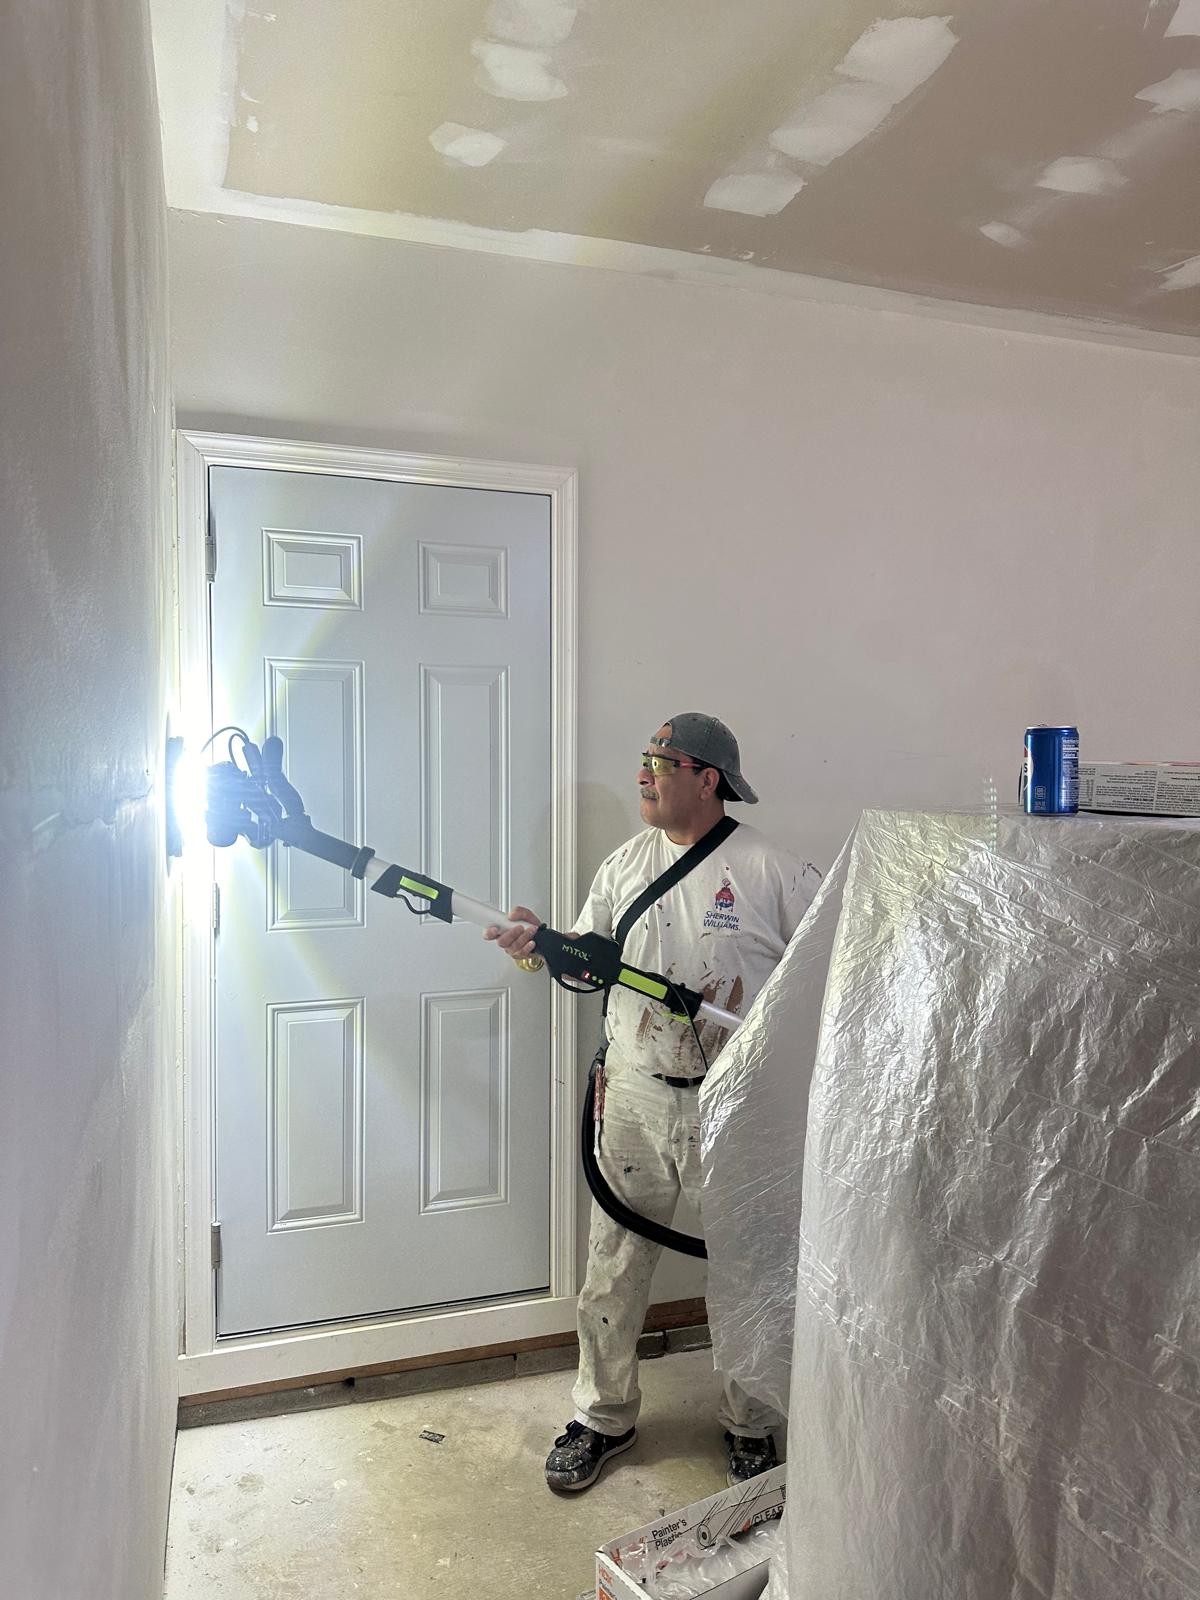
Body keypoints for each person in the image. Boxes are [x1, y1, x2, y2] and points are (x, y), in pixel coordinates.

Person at [486, 713, 821, 1493]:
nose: (644, 772)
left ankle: (752, 1424)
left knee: (747, 1268)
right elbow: (584, 969)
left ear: (709, 778)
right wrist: (543, 947)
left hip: (736, 1104)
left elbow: (822, 978)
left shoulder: (775, 872)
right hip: (633, 1093)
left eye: (661, 761)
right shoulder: (623, 866)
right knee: (614, 1262)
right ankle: (603, 1415)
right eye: (642, 758)